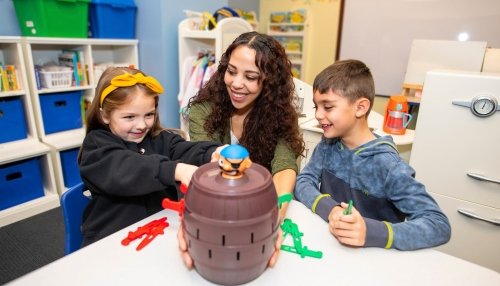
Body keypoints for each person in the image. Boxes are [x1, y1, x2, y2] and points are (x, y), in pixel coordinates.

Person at [295, 59, 451, 250]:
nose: (318, 115)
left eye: (327, 107)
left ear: (360, 107)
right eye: (316, 107)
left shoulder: (388, 165)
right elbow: (303, 181)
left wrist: (370, 232)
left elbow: (438, 225)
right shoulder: (328, 145)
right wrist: (331, 209)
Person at [78, 67, 224, 247]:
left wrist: (213, 153)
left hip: (158, 230)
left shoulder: (159, 138)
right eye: (129, 117)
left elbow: (183, 149)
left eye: (149, 115)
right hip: (112, 240)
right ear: (105, 115)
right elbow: (127, 168)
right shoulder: (96, 146)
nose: (141, 125)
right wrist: (174, 170)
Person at [187, 31, 305, 220]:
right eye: (231, 71)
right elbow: (209, 166)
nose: (236, 84)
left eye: (250, 77)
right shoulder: (203, 110)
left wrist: (276, 210)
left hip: (260, 203)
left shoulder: (281, 116)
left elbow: (284, 165)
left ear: (269, 82)